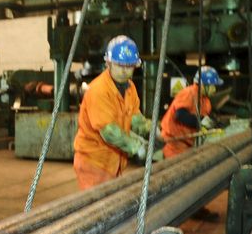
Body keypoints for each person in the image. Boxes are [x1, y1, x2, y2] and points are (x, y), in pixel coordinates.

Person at [73, 36, 152, 190]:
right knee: (96, 209)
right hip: (94, 162)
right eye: (119, 65)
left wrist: (151, 129)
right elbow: (109, 131)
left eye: (129, 66)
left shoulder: (130, 88)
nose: (124, 71)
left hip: (113, 162)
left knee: (110, 206)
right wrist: (136, 147)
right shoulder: (99, 90)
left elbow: (134, 117)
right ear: (108, 63)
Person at [160, 66, 223, 159]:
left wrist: (212, 123)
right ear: (203, 85)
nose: (215, 89)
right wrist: (200, 121)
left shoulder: (206, 101)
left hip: (188, 144)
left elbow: (202, 119)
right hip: (174, 143)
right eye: (213, 86)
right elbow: (180, 115)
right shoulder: (189, 93)